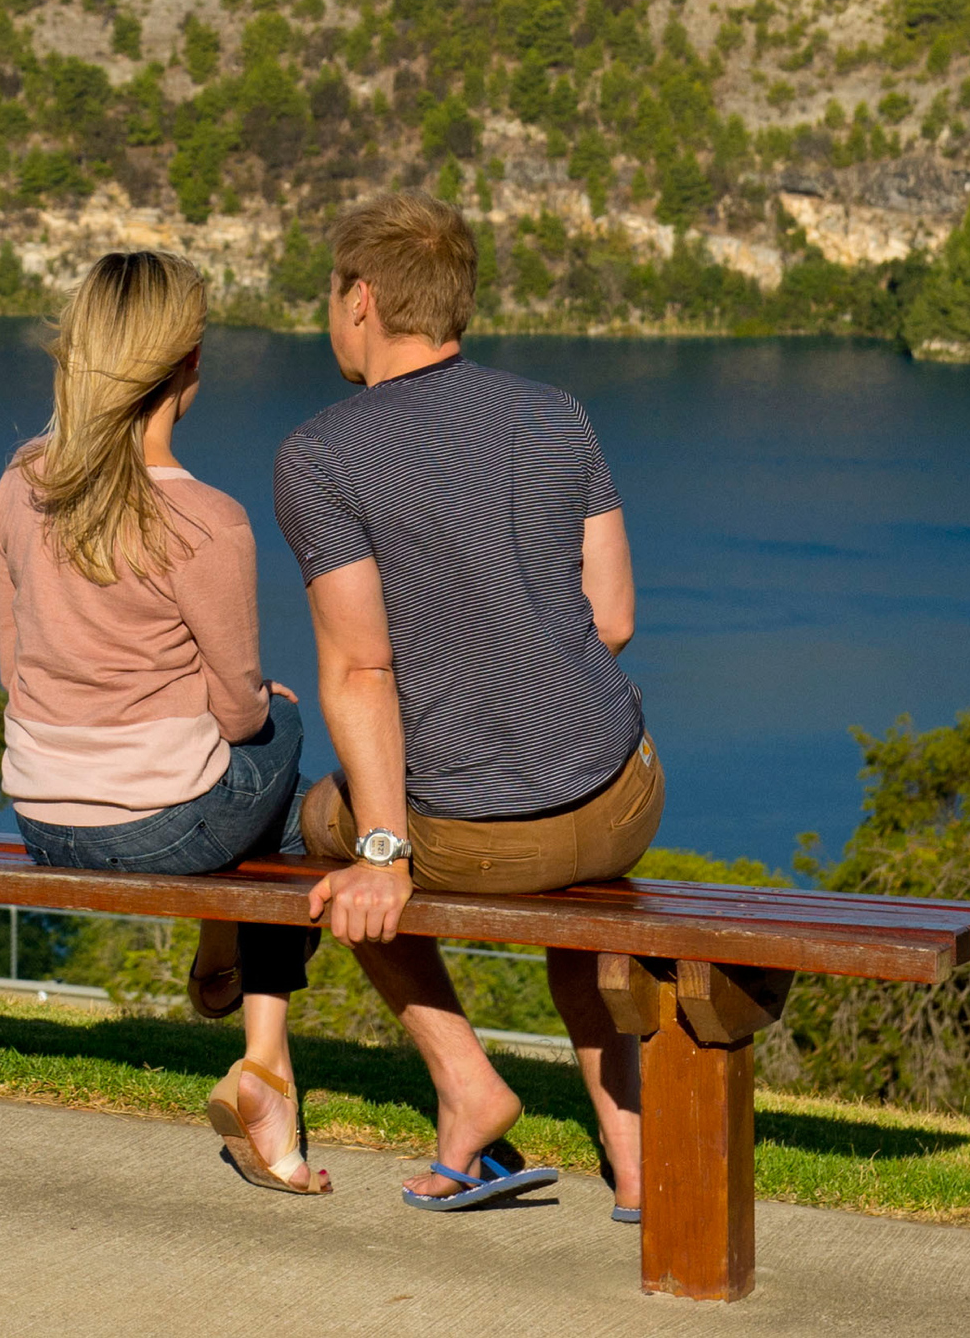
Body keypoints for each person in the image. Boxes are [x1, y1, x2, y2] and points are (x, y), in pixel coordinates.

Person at [284, 190, 657, 1218]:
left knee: (325, 825)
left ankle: (466, 1083)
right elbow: (613, 617)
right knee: (575, 900)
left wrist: (381, 848)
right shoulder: (554, 413)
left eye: (330, 295)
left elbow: (361, 670)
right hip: (622, 797)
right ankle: (632, 1150)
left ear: (360, 299)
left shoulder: (321, 454)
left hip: (482, 838)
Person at [0, 249, 329, 1195]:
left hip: (43, 818)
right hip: (166, 826)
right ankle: (261, 1055)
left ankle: (263, 1058)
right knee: (287, 756)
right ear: (187, 368)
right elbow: (235, 707)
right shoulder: (205, 521)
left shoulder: (20, 483)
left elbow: (16, 663)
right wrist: (266, 710)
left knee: (273, 797)